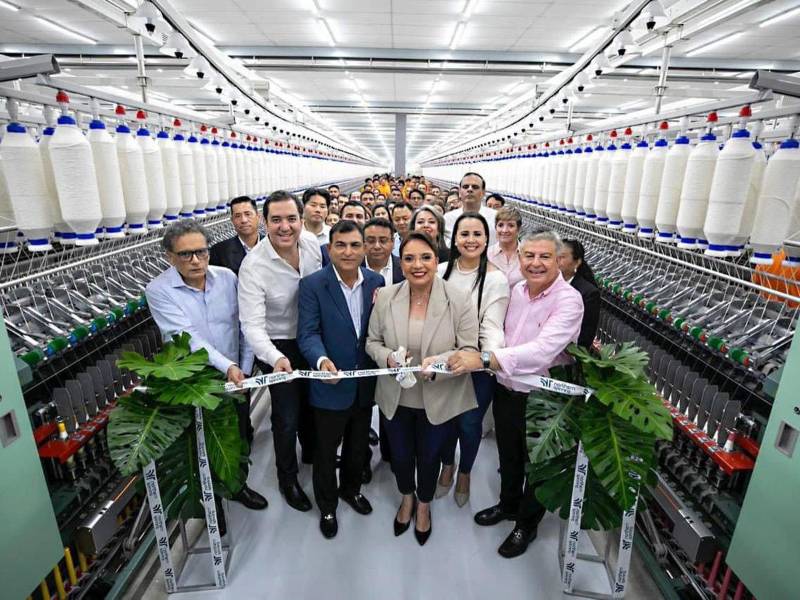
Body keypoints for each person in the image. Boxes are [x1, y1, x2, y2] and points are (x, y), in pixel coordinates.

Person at [447, 229, 583, 559]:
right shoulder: (517, 290)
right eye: (529, 256)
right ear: (520, 258)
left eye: (545, 257)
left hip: (542, 399)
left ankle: (526, 524)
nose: (535, 264)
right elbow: (497, 331)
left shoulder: (569, 301)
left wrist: (481, 359)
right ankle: (507, 505)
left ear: (559, 260)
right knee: (508, 456)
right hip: (507, 390)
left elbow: (541, 352)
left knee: (537, 464)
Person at [366, 231, 479, 546]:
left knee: (429, 457)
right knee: (401, 456)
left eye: (426, 257)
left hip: (439, 396)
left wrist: (439, 363)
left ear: (437, 260)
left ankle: (424, 504)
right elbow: (372, 342)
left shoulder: (457, 299)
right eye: (410, 258)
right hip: (397, 396)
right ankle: (406, 498)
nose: (418, 265)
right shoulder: (386, 296)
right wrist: (386, 357)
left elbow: (469, 348)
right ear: (400, 263)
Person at [146, 221, 267, 513]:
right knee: (200, 442)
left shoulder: (227, 278)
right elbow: (187, 338)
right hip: (194, 379)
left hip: (237, 375)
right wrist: (228, 366)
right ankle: (209, 505)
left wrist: (245, 366)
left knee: (236, 433)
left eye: (201, 252)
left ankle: (237, 486)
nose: (196, 260)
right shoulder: (159, 290)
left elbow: (246, 324)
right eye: (185, 254)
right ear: (170, 257)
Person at [297, 220, 384, 539]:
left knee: (358, 444)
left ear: (364, 249)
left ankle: (351, 490)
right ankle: (328, 505)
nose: (348, 252)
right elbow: (307, 333)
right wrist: (321, 360)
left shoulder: (376, 281)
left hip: (363, 383)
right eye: (341, 245)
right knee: (325, 449)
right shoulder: (313, 285)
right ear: (329, 248)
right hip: (329, 384)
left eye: (355, 245)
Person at [238, 191, 322, 512]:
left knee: (314, 404)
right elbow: (253, 327)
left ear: (302, 220)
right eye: (276, 220)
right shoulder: (254, 266)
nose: (285, 227)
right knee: (286, 415)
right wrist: (276, 359)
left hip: (311, 337)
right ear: (264, 222)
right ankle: (287, 478)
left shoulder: (312, 246)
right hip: (277, 343)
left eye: (291, 219)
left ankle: (313, 452)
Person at [435, 213, 509, 507]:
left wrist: (488, 359)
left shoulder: (495, 279)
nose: (470, 240)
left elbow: (493, 324)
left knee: (469, 424)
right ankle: (446, 465)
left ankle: (464, 471)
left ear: (486, 239)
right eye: (464, 234)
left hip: (477, 364)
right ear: (454, 239)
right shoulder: (440, 271)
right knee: (443, 421)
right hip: (443, 361)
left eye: (477, 234)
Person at [559, 239, 601, 349]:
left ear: (577, 262)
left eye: (562, 257)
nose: (556, 260)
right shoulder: (546, 284)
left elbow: (585, 336)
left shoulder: (588, 293)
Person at [209, 196, 262, 275]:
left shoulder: (273, 245)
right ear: (232, 221)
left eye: (248, 214)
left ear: (258, 217)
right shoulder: (219, 252)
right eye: (238, 216)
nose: (244, 220)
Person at [444, 172, 496, 246]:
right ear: (459, 192)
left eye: (475, 187)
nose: (470, 189)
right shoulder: (448, 218)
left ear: (483, 192)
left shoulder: (495, 217)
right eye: (465, 187)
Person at [488, 206, 525, 288]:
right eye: (500, 225)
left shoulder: (528, 255)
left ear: (518, 229)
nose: (504, 230)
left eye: (511, 226)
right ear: (495, 227)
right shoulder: (487, 255)